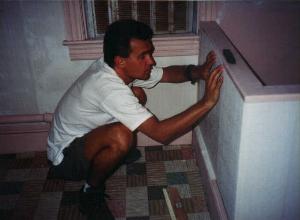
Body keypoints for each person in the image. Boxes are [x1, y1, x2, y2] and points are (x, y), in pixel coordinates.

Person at [47, 19, 223, 219]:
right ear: (121, 61)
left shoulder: (115, 67)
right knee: (121, 136)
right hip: (65, 159)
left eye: (150, 53)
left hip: (86, 136)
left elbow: (167, 74)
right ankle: (90, 193)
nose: (152, 61)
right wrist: (207, 102)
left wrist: (198, 71)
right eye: (144, 56)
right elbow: (162, 134)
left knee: (137, 94)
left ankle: (114, 154)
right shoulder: (108, 87)